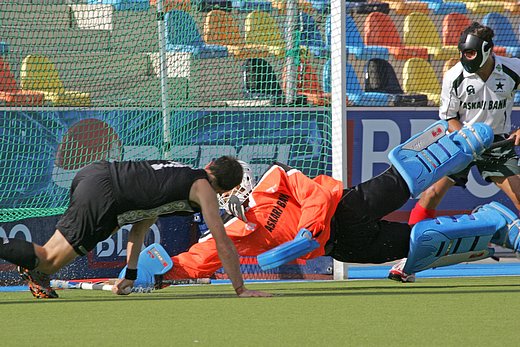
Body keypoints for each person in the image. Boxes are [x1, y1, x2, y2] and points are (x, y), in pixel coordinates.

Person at [150, 137, 518, 286]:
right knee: (421, 243)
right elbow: (199, 260)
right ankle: (496, 223)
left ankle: (472, 138)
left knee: (402, 180)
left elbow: (317, 197)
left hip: (346, 208)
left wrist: (305, 233)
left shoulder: (277, 178)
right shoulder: (231, 232)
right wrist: (154, 274)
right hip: (344, 247)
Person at [0, 156, 271, 298]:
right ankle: (36, 269)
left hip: (97, 175)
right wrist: (241, 289)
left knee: (52, 260)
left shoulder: (179, 179)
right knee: (47, 259)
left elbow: (140, 227)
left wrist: (130, 275)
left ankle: (35, 272)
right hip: (105, 194)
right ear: (223, 188)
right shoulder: (203, 189)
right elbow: (222, 242)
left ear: (210, 165)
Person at [396, 22, 520, 280]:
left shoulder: (512, 69)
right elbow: (449, 117)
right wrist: (465, 137)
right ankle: (409, 258)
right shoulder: (454, 75)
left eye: (472, 53)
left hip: (497, 143)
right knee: (430, 194)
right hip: (462, 140)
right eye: (464, 52)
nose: (466, 58)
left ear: (487, 50)